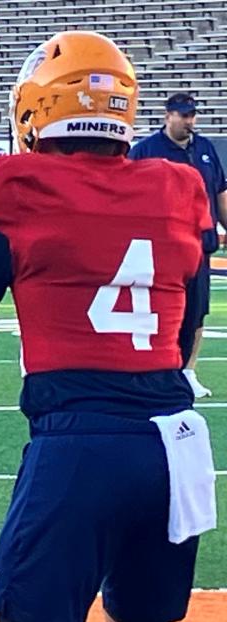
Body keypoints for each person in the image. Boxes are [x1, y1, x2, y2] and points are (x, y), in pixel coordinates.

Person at [0, 32, 216, 622]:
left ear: (37, 108)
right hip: (174, 444)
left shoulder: (15, 185)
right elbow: (186, 321)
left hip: (80, 438)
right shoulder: (178, 184)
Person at [128, 93, 227, 399]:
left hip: (199, 245)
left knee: (197, 312)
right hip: (162, 247)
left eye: (192, 115)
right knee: (162, 311)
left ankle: (188, 370)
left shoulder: (205, 148)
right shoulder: (145, 151)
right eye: (183, 115)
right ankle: (158, 368)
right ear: (167, 115)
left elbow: (220, 192)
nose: (189, 121)